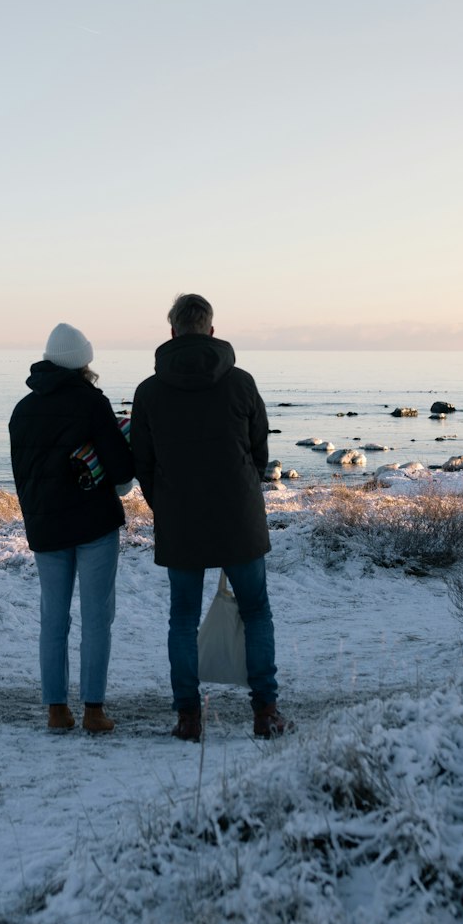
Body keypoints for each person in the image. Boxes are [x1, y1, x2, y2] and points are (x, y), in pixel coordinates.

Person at [130, 293, 285, 741]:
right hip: (239, 516)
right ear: (211, 330)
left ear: (173, 331)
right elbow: (260, 451)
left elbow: (142, 461)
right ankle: (265, 713)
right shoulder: (240, 382)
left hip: (181, 519)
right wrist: (243, 490)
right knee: (256, 612)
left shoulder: (150, 391)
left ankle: (189, 718)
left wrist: (166, 502)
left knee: (182, 618)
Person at [9, 322, 134, 734]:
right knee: (97, 617)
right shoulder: (91, 403)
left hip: (46, 528)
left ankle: (56, 711)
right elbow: (120, 470)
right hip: (94, 522)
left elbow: (23, 479)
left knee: (53, 618)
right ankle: (94, 712)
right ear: (84, 363)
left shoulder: (22, 411)